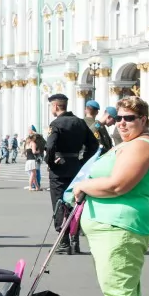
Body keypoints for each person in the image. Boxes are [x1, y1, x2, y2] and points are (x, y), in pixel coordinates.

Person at [72, 96, 149, 296]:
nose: (122, 123)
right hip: (111, 224)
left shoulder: (142, 145)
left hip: (122, 225)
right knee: (126, 283)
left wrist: (84, 187)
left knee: (118, 286)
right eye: (119, 117)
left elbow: (119, 186)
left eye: (129, 118)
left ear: (143, 120)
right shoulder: (129, 143)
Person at [45, 93, 99, 254]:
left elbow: (49, 146)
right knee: (76, 203)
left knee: (59, 203)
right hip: (77, 169)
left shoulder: (56, 124)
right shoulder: (80, 123)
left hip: (59, 170)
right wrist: (83, 162)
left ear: (55, 106)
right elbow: (94, 145)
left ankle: (64, 242)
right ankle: (75, 240)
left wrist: (50, 161)